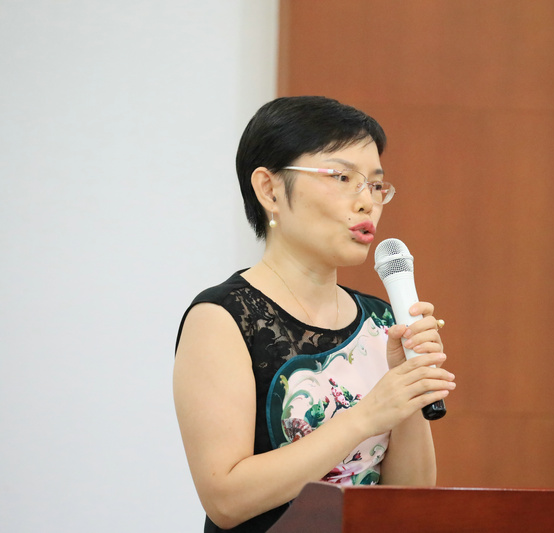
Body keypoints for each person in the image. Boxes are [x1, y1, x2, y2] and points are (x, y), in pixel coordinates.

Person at [173, 96, 456, 532]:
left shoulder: (383, 321)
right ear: (269, 190)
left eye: (375, 185)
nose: (367, 203)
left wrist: (409, 390)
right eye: (342, 178)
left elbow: (411, 497)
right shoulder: (222, 318)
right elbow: (226, 499)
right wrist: (367, 415)